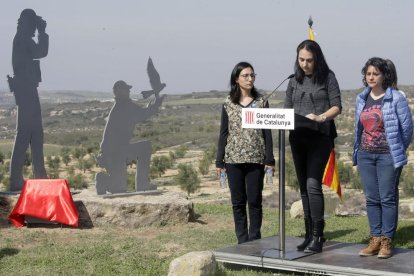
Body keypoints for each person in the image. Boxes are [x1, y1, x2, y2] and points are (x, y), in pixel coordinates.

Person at [284, 40, 342, 253]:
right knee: (303, 188)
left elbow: (337, 105)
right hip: (298, 138)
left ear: (316, 58)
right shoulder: (293, 80)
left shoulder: (328, 77)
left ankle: (318, 235)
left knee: (312, 184)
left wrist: (321, 116)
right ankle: (309, 234)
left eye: (309, 60)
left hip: (320, 136)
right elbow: (286, 110)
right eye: (301, 60)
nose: (305, 64)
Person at [353, 57, 413, 259]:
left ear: (383, 76)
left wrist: (396, 149)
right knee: (371, 199)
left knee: (387, 198)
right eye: (368, 73)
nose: (371, 77)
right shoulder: (361, 98)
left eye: (375, 73)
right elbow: (358, 128)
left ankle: (387, 241)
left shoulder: (396, 98)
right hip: (365, 155)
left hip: (388, 156)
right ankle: (375, 239)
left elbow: (407, 130)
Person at [215, 61, 275, 244]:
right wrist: (219, 161)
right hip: (233, 160)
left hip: (256, 159)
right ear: (236, 79)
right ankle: (242, 241)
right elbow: (224, 132)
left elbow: (267, 132)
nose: (250, 79)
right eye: (246, 76)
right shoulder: (228, 103)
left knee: (255, 202)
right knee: (238, 203)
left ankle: (255, 239)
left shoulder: (261, 101)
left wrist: (270, 158)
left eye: (252, 75)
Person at [96, 80, 164, 195]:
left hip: (119, 150)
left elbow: (140, 112)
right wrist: (156, 103)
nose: (129, 91)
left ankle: (142, 184)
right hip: (116, 153)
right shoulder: (124, 106)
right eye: (126, 89)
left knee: (118, 188)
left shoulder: (121, 106)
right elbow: (143, 114)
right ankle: (102, 179)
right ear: (118, 92)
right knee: (118, 189)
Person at [9, 9, 49, 191]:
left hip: (27, 89)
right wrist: (43, 32)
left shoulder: (22, 38)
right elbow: (41, 51)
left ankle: (38, 175)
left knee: (35, 133)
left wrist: (40, 31)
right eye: (32, 24)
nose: (34, 28)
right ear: (26, 24)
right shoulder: (23, 39)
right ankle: (18, 179)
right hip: (25, 91)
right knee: (26, 133)